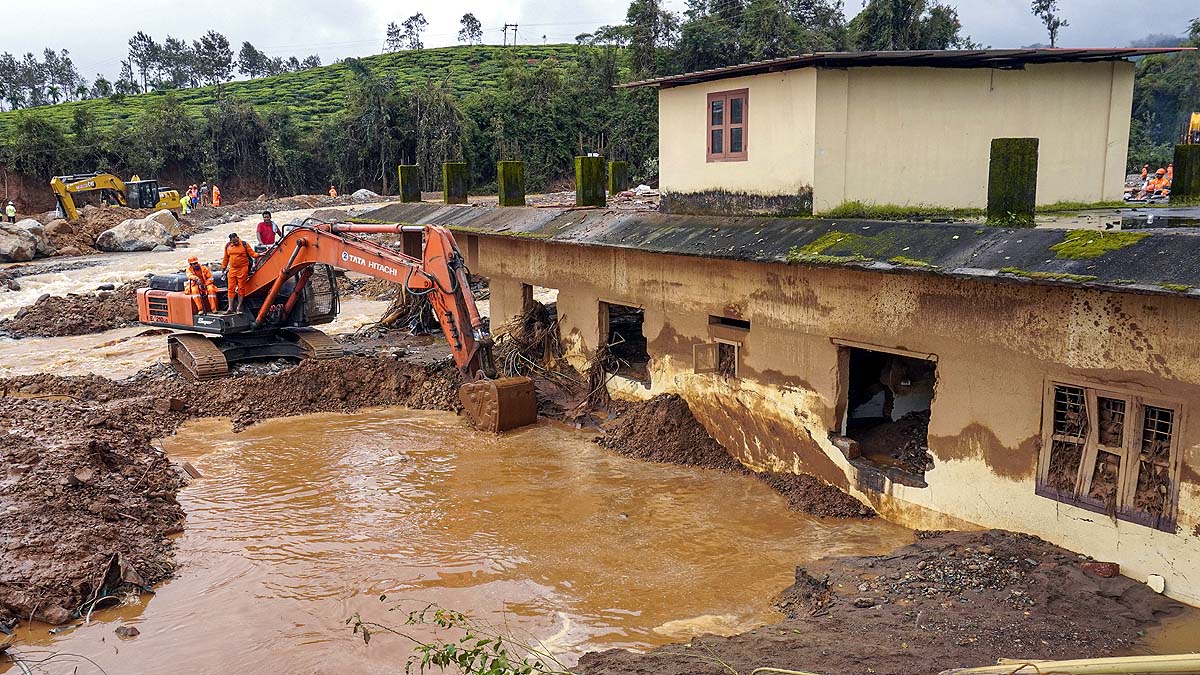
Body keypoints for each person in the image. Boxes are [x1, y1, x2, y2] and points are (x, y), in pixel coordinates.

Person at [222, 232, 259, 314]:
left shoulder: (244, 244)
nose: (236, 242)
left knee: (241, 288)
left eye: (236, 241)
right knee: (230, 288)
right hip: (232, 269)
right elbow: (225, 258)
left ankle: (239, 307)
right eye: (233, 242)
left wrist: (259, 254)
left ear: (238, 238)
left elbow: (252, 254)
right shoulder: (228, 246)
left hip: (243, 269)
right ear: (231, 241)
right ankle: (230, 308)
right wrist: (223, 270)